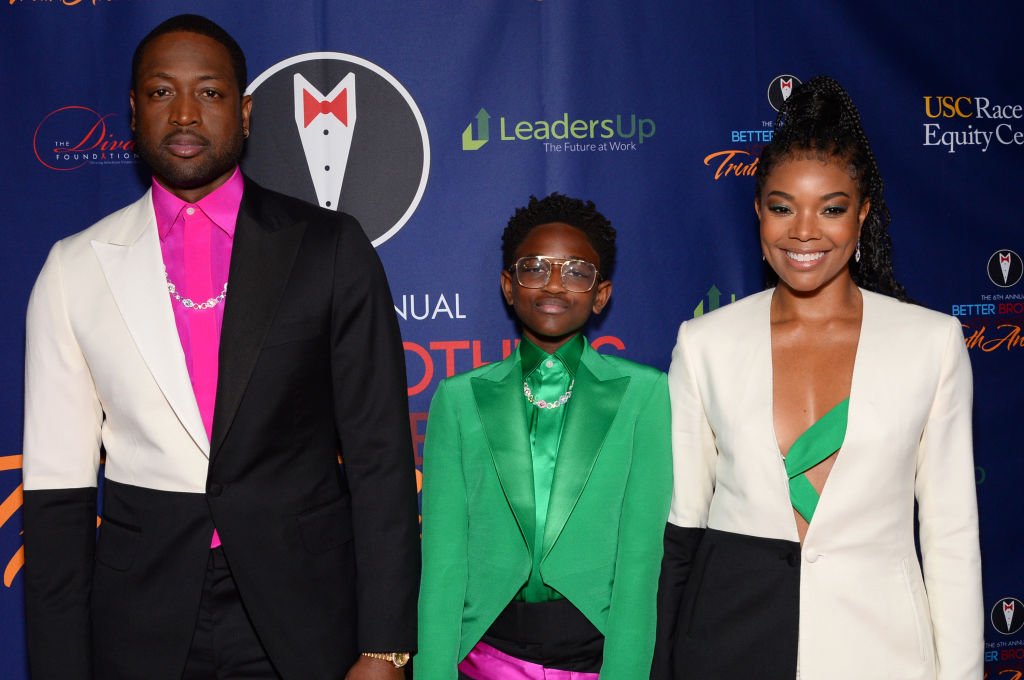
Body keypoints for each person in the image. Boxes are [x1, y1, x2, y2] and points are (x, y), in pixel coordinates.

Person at [22, 14, 418, 680]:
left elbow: (380, 459)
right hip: (141, 618)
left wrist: (384, 647)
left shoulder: (329, 248)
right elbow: (57, 496)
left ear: (246, 111)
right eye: (159, 93)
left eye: (208, 92)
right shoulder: (73, 267)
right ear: (132, 111)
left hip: (305, 614)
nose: (183, 113)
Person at [653, 76, 983, 680]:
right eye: (782, 207)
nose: (804, 231)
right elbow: (684, 528)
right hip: (730, 646)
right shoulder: (704, 344)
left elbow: (952, 537)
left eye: (831, 208)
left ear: (862, 214)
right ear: (758, 211)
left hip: (884, 654)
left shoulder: (931, 343)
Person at [416, 194, 672, 679]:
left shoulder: (646, 395)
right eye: (535, 268)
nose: (555, 284)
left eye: (577, 272)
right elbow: (444, 563)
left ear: (601, 294)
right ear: (508, 287)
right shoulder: (459, 397)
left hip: (595, 656)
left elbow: (641, 565)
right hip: (484, 655)